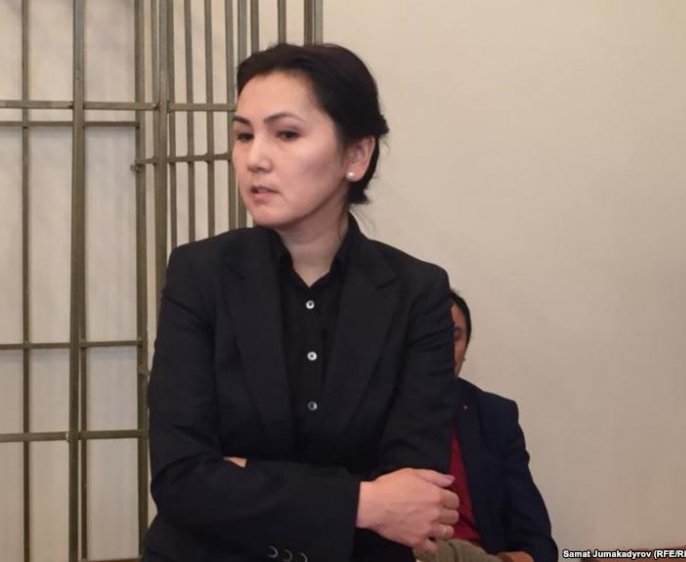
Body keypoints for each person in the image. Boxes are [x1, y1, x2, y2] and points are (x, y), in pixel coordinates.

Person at [143, 43, 460, 562]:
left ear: (356, 155)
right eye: (244, 135)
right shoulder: (200, 274)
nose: (255, 158)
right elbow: (182, 478)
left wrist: (245, 474)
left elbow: (415, 496)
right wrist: (362, 501)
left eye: (286, 134)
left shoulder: (417, 292)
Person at [427, 291, 557, 562]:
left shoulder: (494, 417)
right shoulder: (372, 412)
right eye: (431, 336)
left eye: (454, 337)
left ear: (466, 348)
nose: (443, 350)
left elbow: (538, 542)